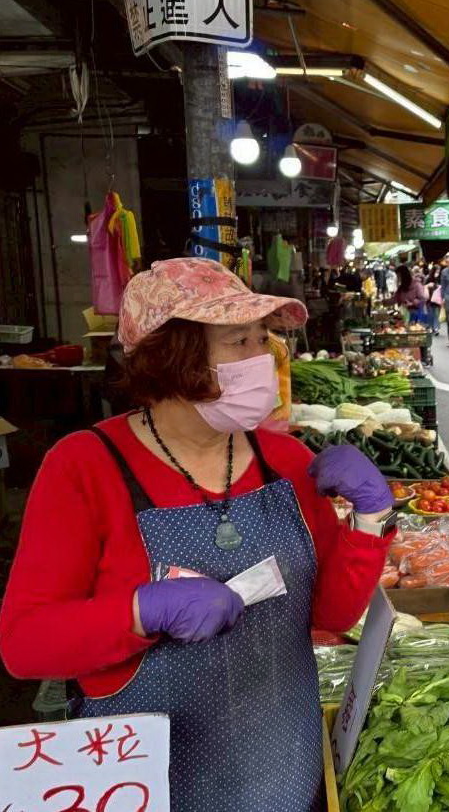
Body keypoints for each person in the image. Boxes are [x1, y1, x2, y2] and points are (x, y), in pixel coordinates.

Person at [0, 258, 396, 811]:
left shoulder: (284, 459)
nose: (263, 357)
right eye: (239, 340)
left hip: (282, 760)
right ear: (172, 356)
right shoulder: (85, 466)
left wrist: (370, 520)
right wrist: (139, 613)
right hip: (146, 777)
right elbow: (25, 643)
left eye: (264, 338)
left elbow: (331, 617)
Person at [426, 262, 443, 335]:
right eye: (437, 271)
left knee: (436, 314)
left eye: (439, 271)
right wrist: (428, 285)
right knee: (430, 314)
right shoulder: (428, 278)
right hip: (429, 299)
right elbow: (424, 287)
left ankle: (435, 328)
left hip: (438, 299)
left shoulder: (441, 278)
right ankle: (431, 327)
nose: (438, 272)